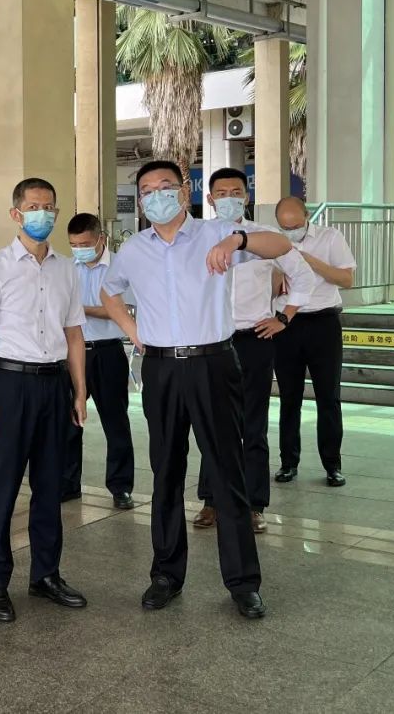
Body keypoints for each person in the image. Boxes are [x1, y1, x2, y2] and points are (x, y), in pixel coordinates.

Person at [101, 159, 295, 620]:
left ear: (184, 191)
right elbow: (110, 292)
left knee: (227, 471)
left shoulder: (215, 232)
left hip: (213, 363)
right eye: (147, 190)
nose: (156, 196)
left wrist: (237, 239)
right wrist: (133, 332)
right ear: (141, 200)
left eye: (165, 186)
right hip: (161, 368)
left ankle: (243, 583)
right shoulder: (133, 250)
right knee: (166, 471)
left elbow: (282, 245)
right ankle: (166, 575)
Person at [0, 177, 89, 623]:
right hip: (9, 385)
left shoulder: (66, 269)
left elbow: (74, 334)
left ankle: (46, 575)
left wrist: (79, 390)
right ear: (16, 214)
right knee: (1, 487)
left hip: (54, 385)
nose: (43, 214)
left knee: (50, 486)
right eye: (34, 206)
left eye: (49, 207)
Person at [192, 169, 314, 535]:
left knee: (253, 425)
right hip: (211, 341)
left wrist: (284, 317)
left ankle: (254, 504)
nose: (229, 198)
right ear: (210, 199)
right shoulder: (196, 237)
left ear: (246, 196)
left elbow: (303, 277)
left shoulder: (267, 237)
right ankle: (211, 500)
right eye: (221, 193)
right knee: (212, 423)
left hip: (254, 338)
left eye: (236, 191)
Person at [271, 196, 356, 488]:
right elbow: (268, 289)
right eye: (284, 228)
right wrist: (279, 270)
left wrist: (307, 260)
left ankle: (333, 465)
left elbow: (346, 279)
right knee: (289, 397)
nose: (290, 232)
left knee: (328, 396)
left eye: (295, 226)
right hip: (286, 324)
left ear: (307, 216)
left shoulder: (330, 238)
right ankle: (288, 462)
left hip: (323, 322)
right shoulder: (271, 243)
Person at [64, 212, 136, 510]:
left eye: (85, 244)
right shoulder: (66, 269)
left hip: (107, 352)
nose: (79, 249)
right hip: (72, 352)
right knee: (69, 421)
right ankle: (68, 484)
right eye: (74, 245)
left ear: (100, 239)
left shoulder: (121, 266)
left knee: (115, 421)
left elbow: (122, 310)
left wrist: (81, 310)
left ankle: (120, 487)